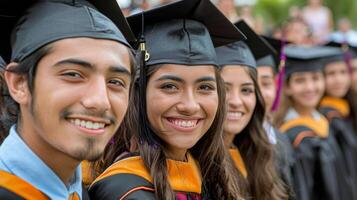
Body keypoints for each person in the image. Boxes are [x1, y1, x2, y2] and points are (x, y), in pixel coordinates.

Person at [89, 0, 246, 199]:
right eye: (170, 86)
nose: (189, 105)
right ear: (138, 93)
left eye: (204, 87)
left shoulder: (210, 176)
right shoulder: (126, 191)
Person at [0, 0, 135, 199]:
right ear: (19, 83)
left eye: (116, 81)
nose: (100, 101)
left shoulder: (78, 192)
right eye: (73, 74)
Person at [215, 20, 288, 200]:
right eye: (224, 89)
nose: (236, 101)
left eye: (246, 90)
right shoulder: (199, 169)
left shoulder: (256, 155)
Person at [273, 46, 350, 200]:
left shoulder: (322, 122)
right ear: (287, 87)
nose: (310, 87)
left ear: (323, 81)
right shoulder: (293, 136)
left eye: (315, 78)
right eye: (300, 80)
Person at [256, 36, 295, 198]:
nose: (257, 92)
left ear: (276, 86)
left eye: (265, 83)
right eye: (248, 85)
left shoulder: (281, 139)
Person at [318, 49, 357, 199]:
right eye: (331, 74)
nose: (338, 79)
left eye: (343, 72)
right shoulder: (328, 118)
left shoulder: (347, 107)